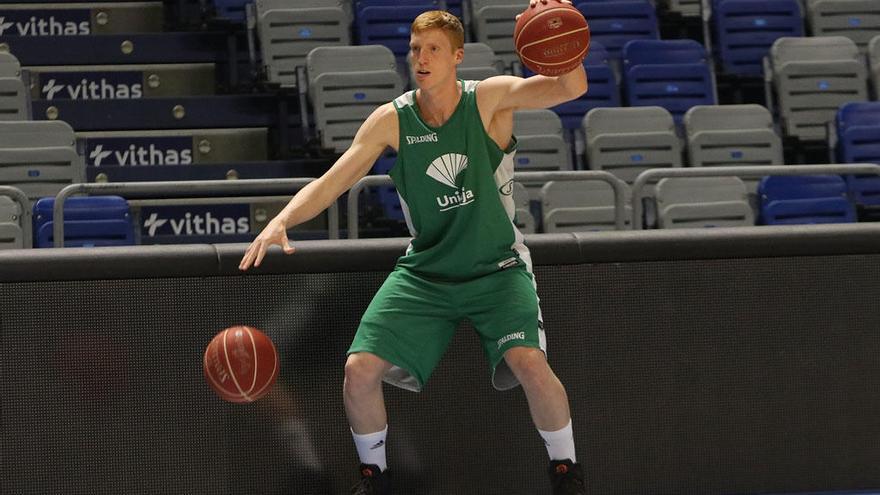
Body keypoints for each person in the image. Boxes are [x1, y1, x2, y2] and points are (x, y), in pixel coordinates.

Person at [239, 2, 589, 493]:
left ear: (457, 57)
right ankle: (372, 477)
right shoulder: (393, 119)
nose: (421, 58)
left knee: (529, 362)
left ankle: (565, 471)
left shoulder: (488, 99)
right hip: (428, 271)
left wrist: (562, 41)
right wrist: (282, 220)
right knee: (359, 369)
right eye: (414, 49)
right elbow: (333, 181)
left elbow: (571, 88)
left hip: (497, 267)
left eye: (433, 50)